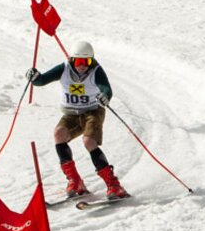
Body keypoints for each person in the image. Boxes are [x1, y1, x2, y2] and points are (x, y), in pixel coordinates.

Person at [26, 41, 129, 200]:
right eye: (79, 61)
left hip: (92, 112)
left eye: (86, 61)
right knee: (59, 134)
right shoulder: (64, 68)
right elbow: (42, 80)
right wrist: (34, 77)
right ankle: (75, 181)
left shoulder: (95, 70)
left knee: (89, 141)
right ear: (72, 59)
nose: (83, 66)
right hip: (71, 114)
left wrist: (105, 96)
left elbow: (106, 88)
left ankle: (114, 185)